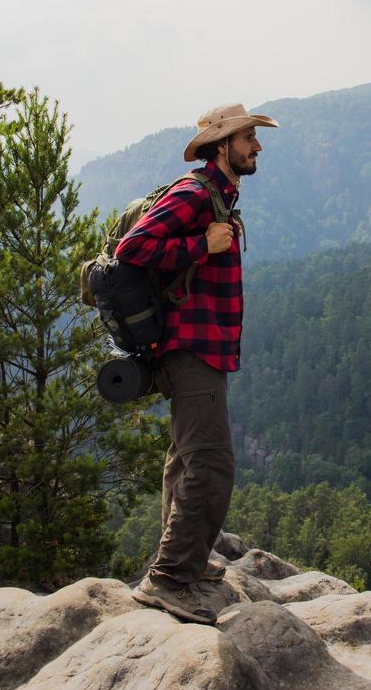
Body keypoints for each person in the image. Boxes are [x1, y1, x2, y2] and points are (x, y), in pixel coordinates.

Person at [117, 103, 278, 624]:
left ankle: (185, 561)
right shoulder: (193, 194)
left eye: (253, 137)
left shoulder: (220, 195)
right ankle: (168, 579)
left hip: (204, 348)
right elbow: (131, 248)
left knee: (186, 457)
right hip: (190, 349)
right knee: (211, 463)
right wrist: (199, 244)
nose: (256, 147)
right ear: (221, 145)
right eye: (249, 138)